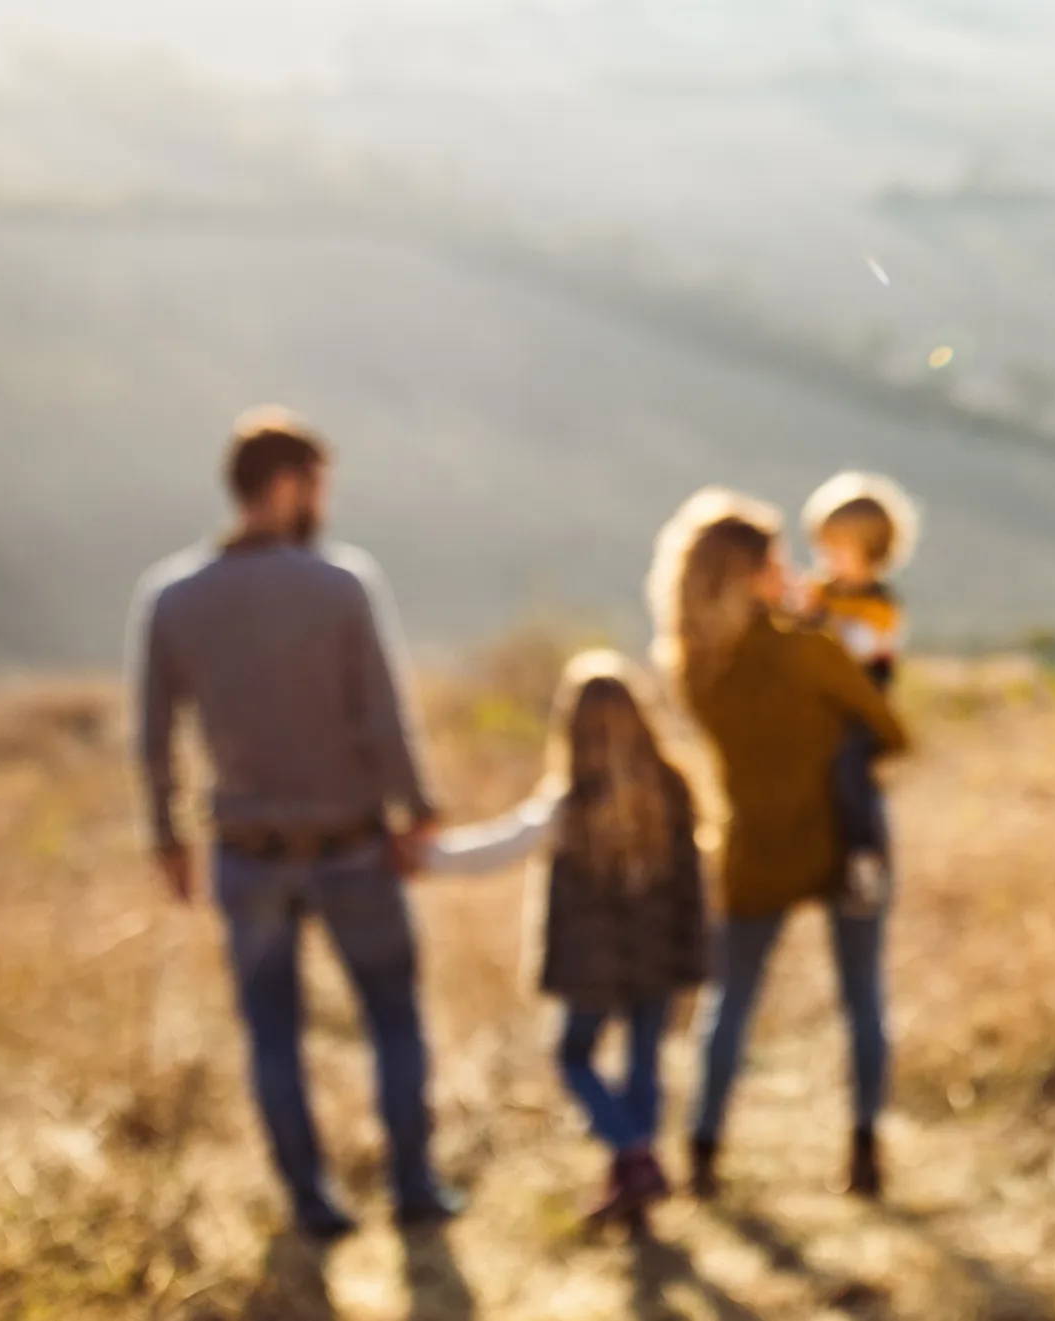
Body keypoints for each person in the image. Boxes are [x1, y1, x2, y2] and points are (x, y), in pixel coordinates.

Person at [128, 406, 459, 1240]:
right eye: (317, 485)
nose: (323, 504)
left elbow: (153, 733)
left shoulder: (172, 597)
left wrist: (166, 838)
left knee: (272, 1033)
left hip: (244, 853)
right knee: (393, 1016)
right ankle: (413, 1186)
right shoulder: (340, 583)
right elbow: (383, 717)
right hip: (349, 844)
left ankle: (312, 1202)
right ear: (286, 485)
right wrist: (416, 810)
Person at [649, 488, 912, 1200]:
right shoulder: (807, 651)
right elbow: (891, 728)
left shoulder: (694, 669)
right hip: (845, 837)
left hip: (754, 845)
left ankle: (702, 1150)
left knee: (728, 1003)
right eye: (775, 559)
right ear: (752, 574)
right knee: (862, 996)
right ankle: (864, 1149)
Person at [428, 650, 709, 1225]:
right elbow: (695, 885)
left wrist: (426, 856)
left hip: (592, 968)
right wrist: (694, 953)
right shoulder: (673, 788)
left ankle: (632, 1156)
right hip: (658, 959)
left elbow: (499, 847)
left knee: (574, 1056)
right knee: (643, 1065)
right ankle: (634, 1173)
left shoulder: (569, 800)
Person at [795, 471, 922, 915]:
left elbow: (861, 650)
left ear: (871, 551)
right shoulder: (820, 592)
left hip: (861, 713)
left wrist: (818, 622)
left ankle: (863, 858)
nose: (826, 558)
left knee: (850, 773)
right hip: (820, 711)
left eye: (837, 548)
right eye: (822, 546)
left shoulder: (881, 605)